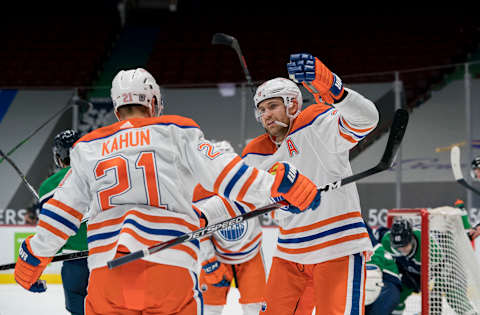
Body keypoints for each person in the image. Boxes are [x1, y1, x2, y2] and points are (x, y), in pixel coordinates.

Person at [13, 68, 321, 315]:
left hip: (108, 274)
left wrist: (32, 259)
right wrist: (281, 187)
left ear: (118, 108)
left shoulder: (88, 148)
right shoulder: (177, 132)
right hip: (169, 267)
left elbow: (60, 214)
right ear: (153, 103)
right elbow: (229, 175)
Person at [242, 53, 378, 314]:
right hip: (290, 253)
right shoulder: (255, 153)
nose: (266, 115)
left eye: (272, 106)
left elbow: (367, 119)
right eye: (261, 109)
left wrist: (334, 89)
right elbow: (249, 198)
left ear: (293, 104)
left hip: (338, 246)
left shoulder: (316, 123)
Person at [195, 140, 266, 315]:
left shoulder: (247, 181)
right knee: (208, 309)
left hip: (250, 254)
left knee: (256, 308)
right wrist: (209, 261)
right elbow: (199, 231)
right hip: (218, 256)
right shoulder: (199, 192)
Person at [36, 129, 89, 315]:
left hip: (74, 263)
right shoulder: (103, 174)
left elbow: (49, 235)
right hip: (108, 257)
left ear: (58, 157)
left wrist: (36, 269)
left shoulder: (49, 185)